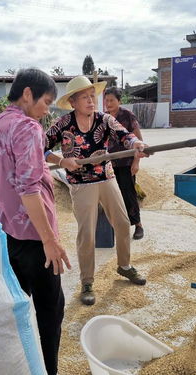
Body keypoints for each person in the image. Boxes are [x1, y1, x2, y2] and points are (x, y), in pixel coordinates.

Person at [0, 68, 71, 375]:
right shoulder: (28, 127)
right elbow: (28, 188)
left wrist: (61, 160)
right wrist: (50, 241)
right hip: (35, 238)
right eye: (46, 101)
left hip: (7, 233)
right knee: (50, 313)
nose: (47, 110)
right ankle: (47, 370)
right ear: (27, 93)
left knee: (19, 310)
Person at [45, 75, 147, 306]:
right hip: (81, 184)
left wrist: (136, 145)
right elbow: (40, 147)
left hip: (106, 177)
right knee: (87, 234)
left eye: (93, 96)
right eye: (85, 97)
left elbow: (125, 135)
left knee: (122, 223)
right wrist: (61, 161)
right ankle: (87, 281)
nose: (91, 101)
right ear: (73, 102)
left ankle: (124, 266)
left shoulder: (104, 119)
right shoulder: (62, 125)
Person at [104, 87, 145, 240]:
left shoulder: (127, 115)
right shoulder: (104, 117)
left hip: (127, 163)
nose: (108, 103)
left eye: (111, 100)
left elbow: (139, 141)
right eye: (106, 100)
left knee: (129, 194)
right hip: (110, 164)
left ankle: (138, 225)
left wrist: (136, 162)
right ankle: (119, 227)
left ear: (119, 101)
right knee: (115, 196)